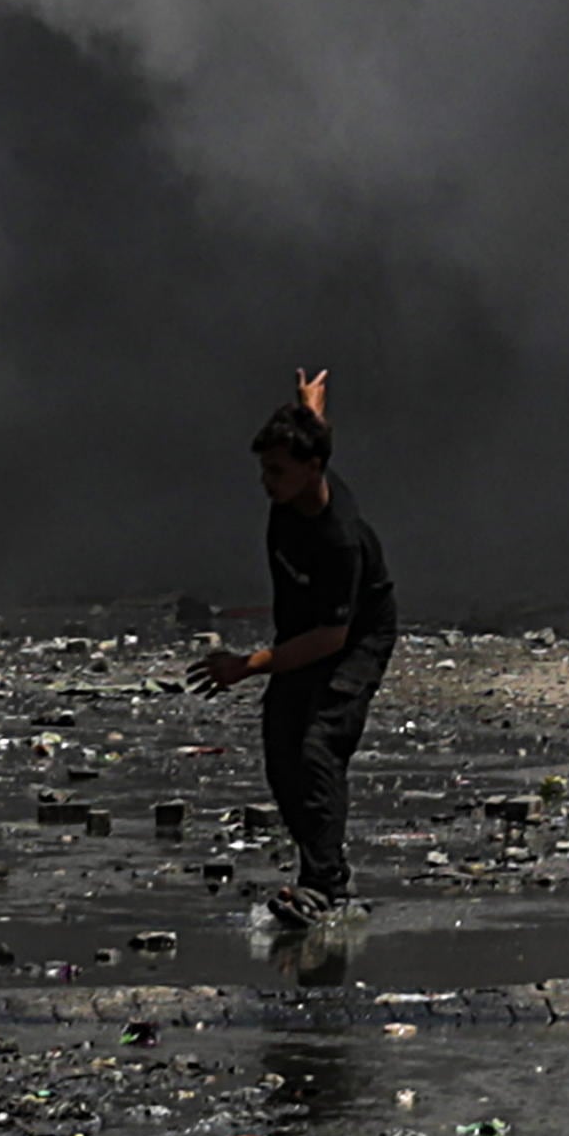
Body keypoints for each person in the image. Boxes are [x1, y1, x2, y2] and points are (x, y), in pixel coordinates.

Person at [190, 370, 394, 924]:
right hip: (303, 627)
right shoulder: (297, 485)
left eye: (276, 471)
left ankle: (327, 885)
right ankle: (320, 867)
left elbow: (332, 639)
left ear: (311, 469)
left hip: (355, 637)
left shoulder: (339, 539)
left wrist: (244, 666)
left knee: (318, 746)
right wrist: (310, 410)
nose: (266, 482)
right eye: (264, 469)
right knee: (280, 748)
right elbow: (314, 444)